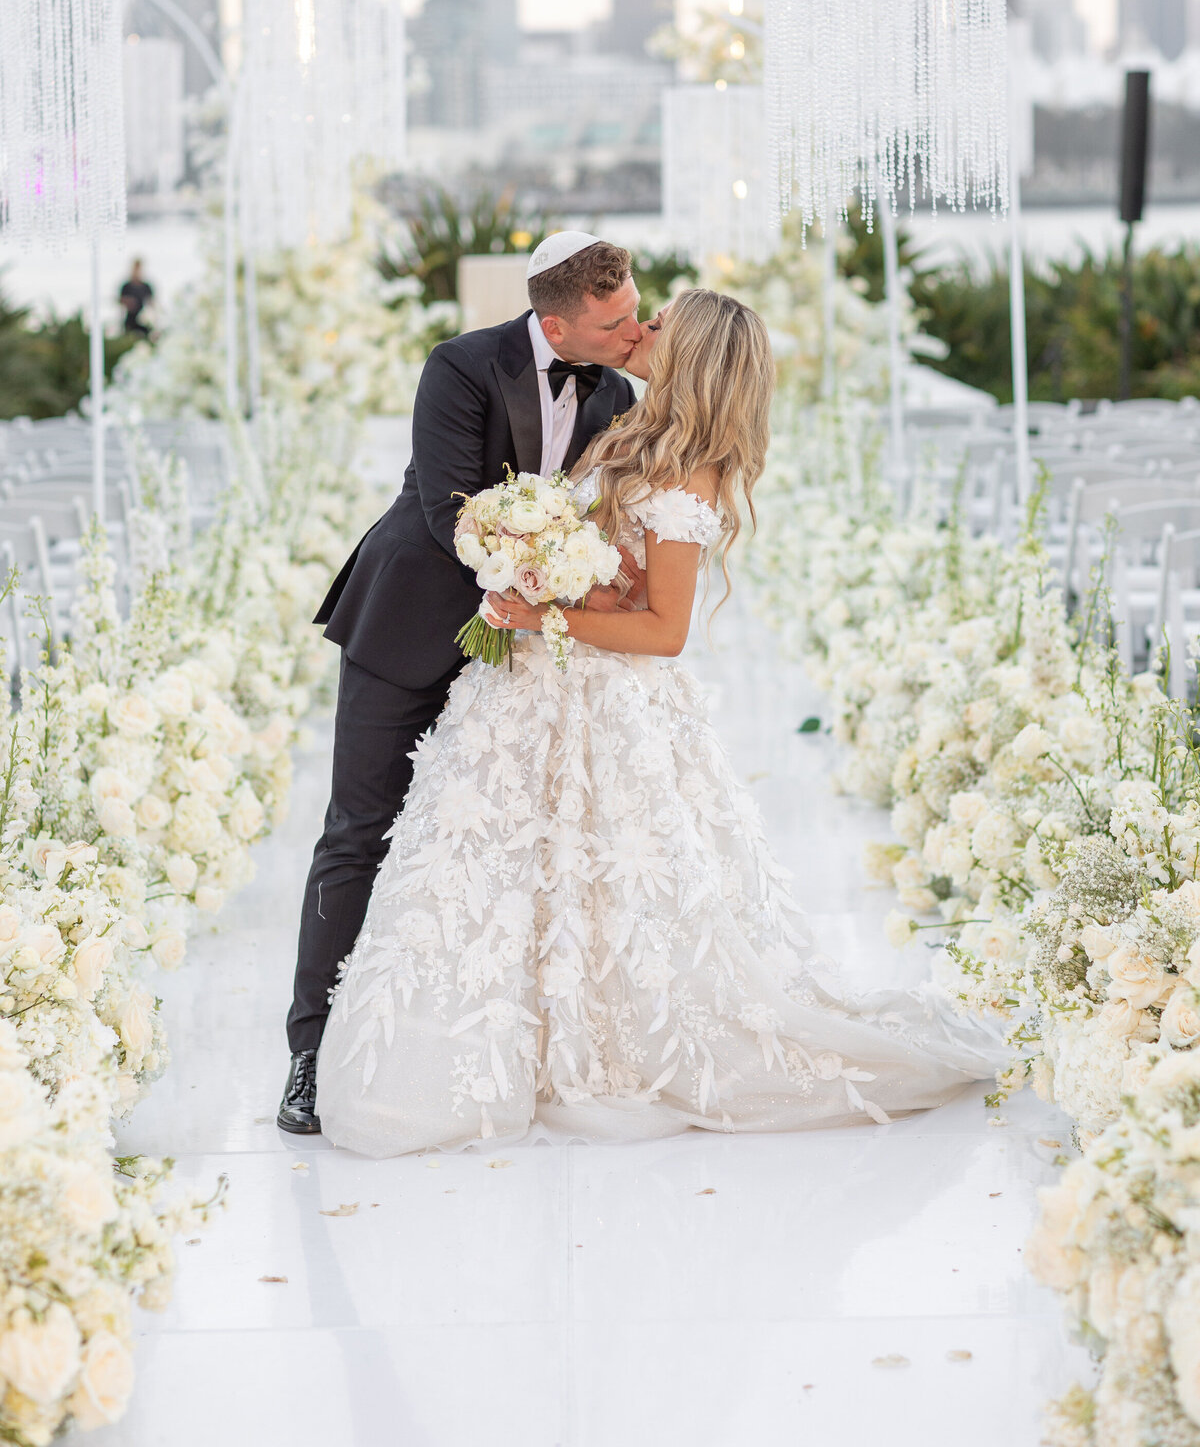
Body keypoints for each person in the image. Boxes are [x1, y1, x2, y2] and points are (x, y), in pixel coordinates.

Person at [314, 288, 998, 1157]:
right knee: (501, 864)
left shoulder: (689, 468)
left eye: (661, 324)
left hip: (606, 698)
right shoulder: (625, 423)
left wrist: (541, 616)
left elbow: (664, 630)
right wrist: (540, 566)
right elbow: (611, 572)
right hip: (534, 688)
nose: (643, 330)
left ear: (693, 354)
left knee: (601, 878)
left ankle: (587, 1040)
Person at [278, 234, 643, 1134]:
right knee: (357, 833)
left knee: (485, 844)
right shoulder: (460, 365)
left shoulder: (621, 391)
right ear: (555, 323)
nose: (634, 330)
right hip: (407, 623)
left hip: (518, 649)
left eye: (635, 309)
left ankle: (455, 1053)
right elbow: (449, 508)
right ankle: (310, 1058)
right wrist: (538, 569)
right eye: (616, 320)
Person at [118, 259, 154, 337]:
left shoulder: (146, 286)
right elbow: (120, 300)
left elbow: (152, 302)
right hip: (130, 320)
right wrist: (129, 302)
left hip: (144, 321)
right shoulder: (126, 286)